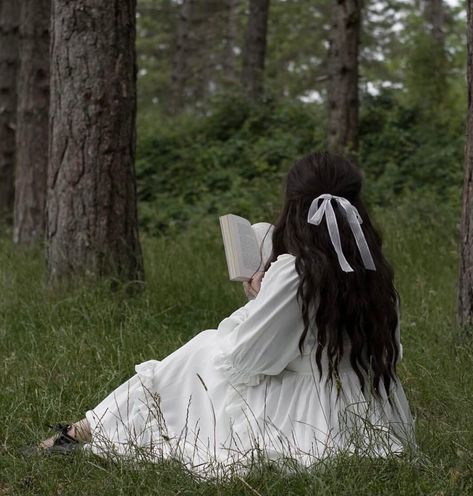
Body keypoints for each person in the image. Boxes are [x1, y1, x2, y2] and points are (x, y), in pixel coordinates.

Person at [37, 152, 415, 477]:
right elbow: (389, 353)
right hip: (367, 411)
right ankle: (84, 429)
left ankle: (82, 431)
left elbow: (245, 362)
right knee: (199, 353)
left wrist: (257, 297)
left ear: (294, 208)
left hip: (307, 421)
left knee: (202, 350)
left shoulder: (295, 273)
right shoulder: (373, 270)